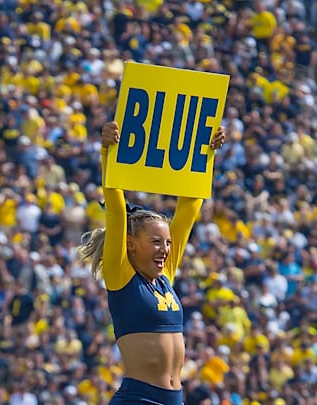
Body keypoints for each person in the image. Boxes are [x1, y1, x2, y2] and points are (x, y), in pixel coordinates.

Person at [78, 121, 226, 405]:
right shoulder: (121, 275)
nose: (166, 249)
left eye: (168, 243)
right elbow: (116, 209)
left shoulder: (165, 276)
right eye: (157, 242)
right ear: (131, 243)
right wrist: (107, 151)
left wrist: (207, 153)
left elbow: (190, 206)